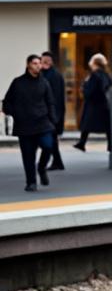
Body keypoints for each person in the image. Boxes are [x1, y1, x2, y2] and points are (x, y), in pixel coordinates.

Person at [3, 55, 57, 191]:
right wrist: (15, 113)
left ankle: (41, 167)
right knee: (28, 156)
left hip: (43, 123)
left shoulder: (44, 83)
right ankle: (31, 182)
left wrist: (53, 120)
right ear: (28, 65)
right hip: (24, 125)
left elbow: (50, 102)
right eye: (35, 63)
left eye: (39, 63)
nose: (38, 66)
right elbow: (7, 102)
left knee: (48, 146)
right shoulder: (18, 82)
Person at [73, 53, 112, 152]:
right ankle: (110, 145)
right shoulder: (106, 74)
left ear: (95, 63)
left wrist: (84, 88)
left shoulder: (95, 75)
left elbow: (91, 89)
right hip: (103, 104)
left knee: (87, 123)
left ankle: (82, 142)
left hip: (94, 104)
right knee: (107, 126)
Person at [38, 51, 65, 170]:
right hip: (46, 113)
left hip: (51, 114)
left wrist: (55, 116)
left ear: (51, 62)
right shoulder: (43, 74)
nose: (44, 63)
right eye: (42, 61)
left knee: (50, 139)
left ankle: (53, 162)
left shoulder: (54, 76)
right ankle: (57, 162)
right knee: (51, 139)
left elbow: (57, 97)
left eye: (47, 61)